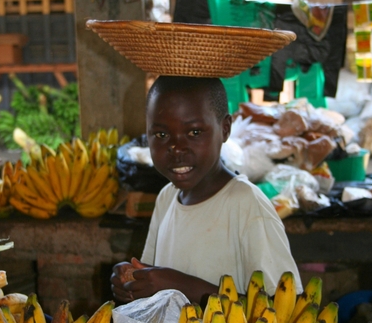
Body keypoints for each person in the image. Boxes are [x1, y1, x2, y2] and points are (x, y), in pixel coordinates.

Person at [110, 76, 302, 307]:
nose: (177, 148)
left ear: (224, 129)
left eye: (194, 133)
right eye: (161, 135)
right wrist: (132, 280)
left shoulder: (247, 205)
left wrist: (182, 287)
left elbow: (285, 308)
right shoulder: (167, 198)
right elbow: (151, 276)